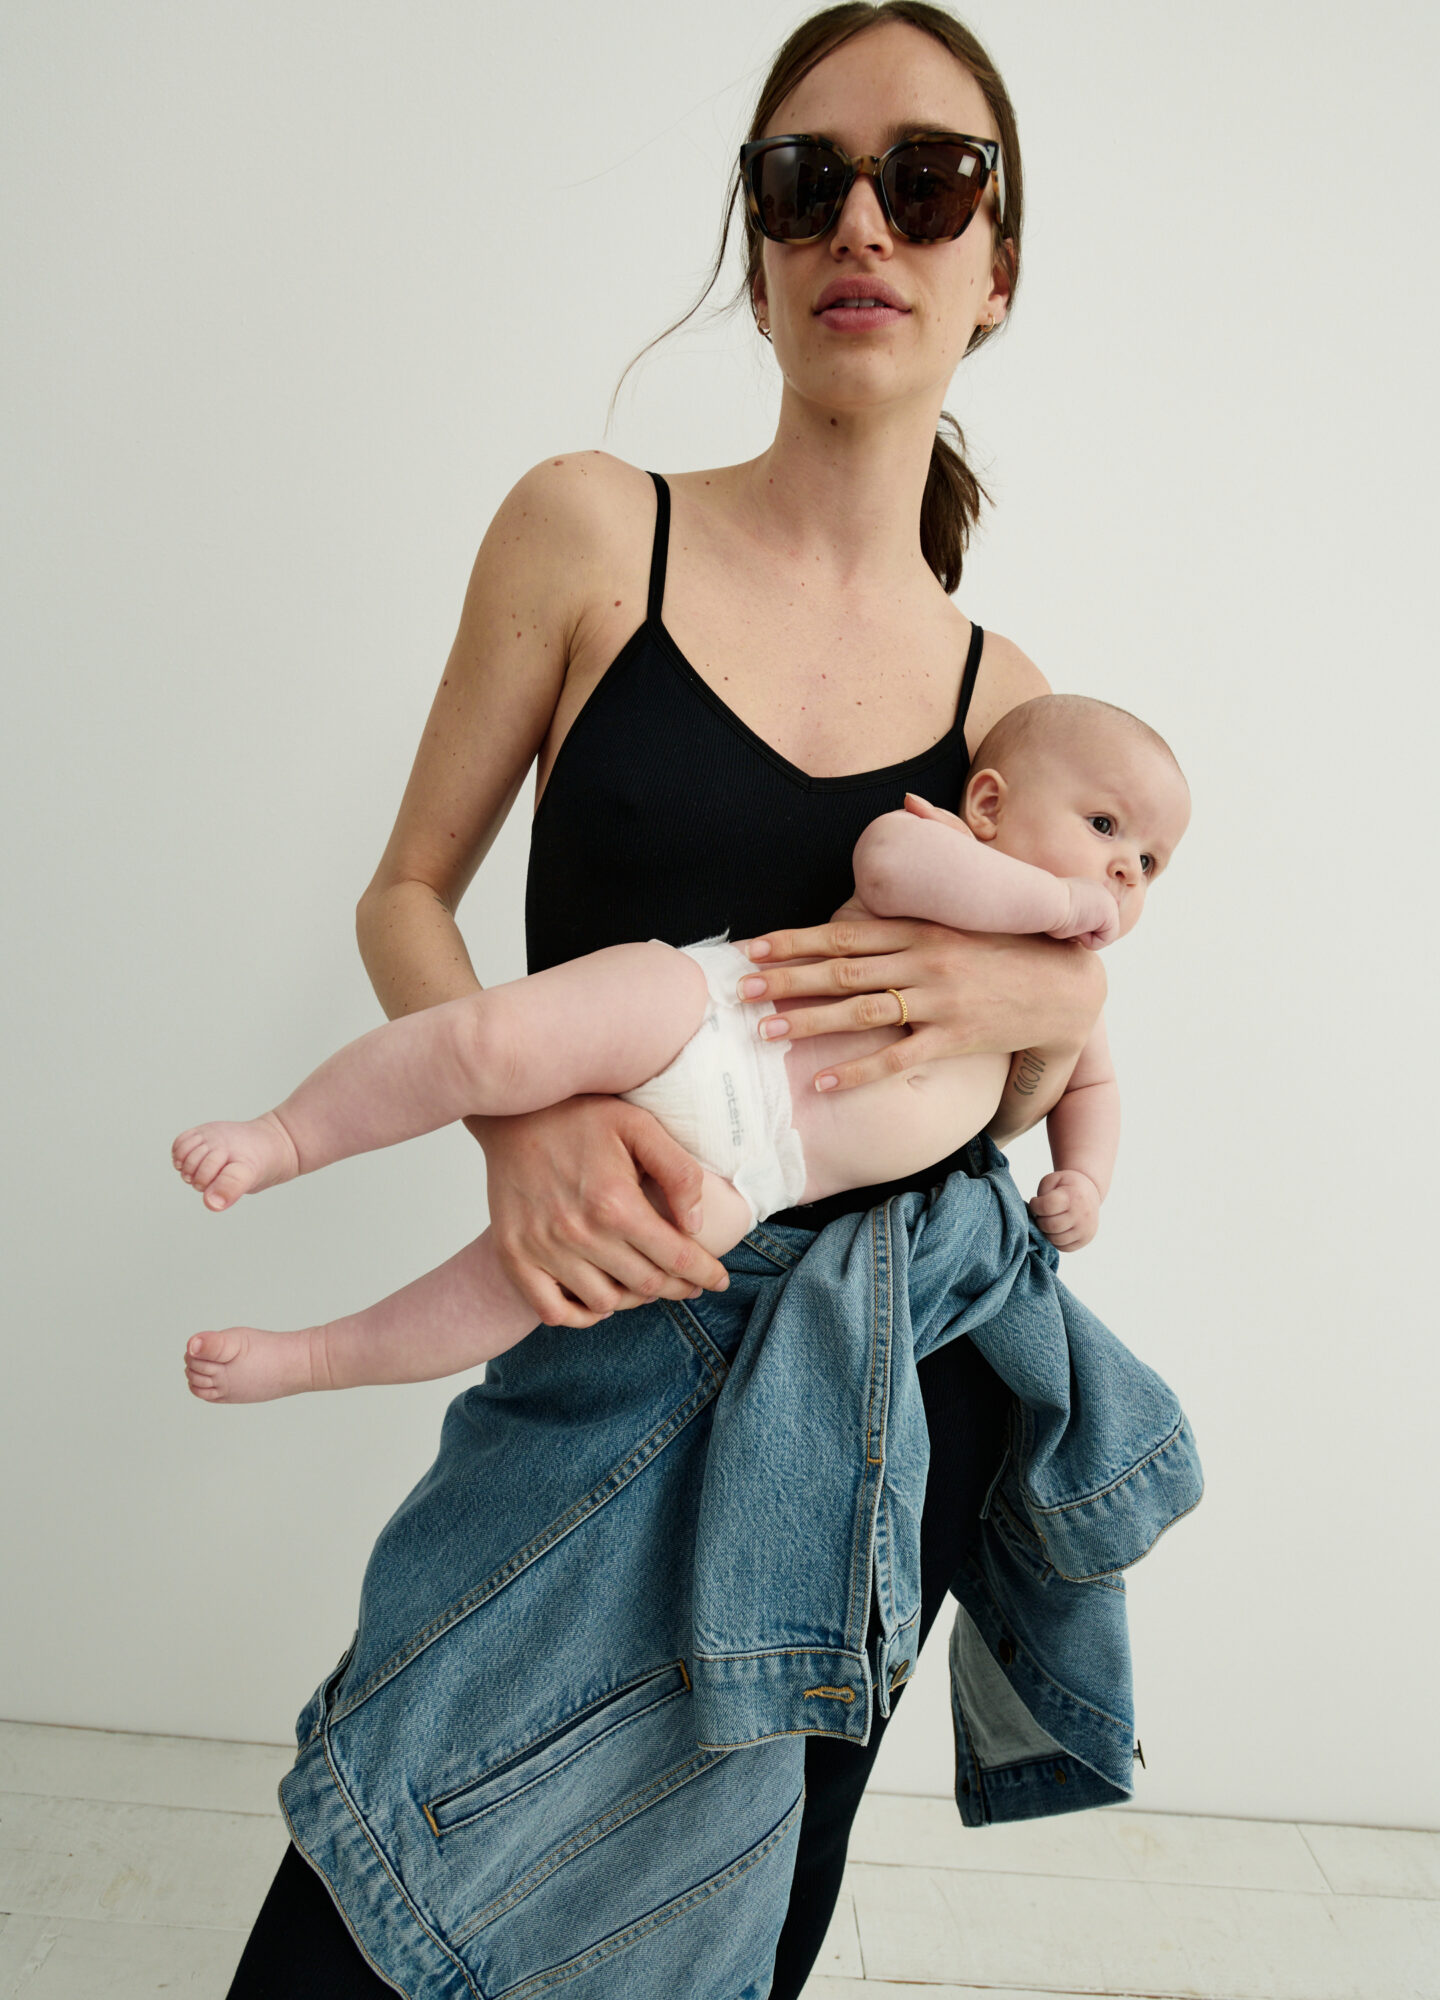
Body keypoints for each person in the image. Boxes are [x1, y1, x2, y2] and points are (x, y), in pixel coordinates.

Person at [224, 7, 1123, 1994]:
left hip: (879, 1405)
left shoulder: (1013, 700)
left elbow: (1041, 1059)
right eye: (806, 183)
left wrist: (1028, 1005)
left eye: (930, 178)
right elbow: (407, 893)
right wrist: (517, 1120)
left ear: (999, 269)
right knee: (364, 1891)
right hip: (597, 1330)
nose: (862, 223)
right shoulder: (586, 527)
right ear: (760, 240)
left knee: (721, 1946)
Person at [176, 697, 1189, 1406]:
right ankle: (285, 1135)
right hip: (713, 1015)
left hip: (755, 1174)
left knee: (533, 1282)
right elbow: (887, 864)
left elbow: (1085, 1080)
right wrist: (1058, 904)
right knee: (488, 1037)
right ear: (992, 805)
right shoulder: (943, 847)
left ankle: (310, 1358)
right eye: (1103, 825)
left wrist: (1085, 1178)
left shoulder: (1067, 989)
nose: (1121, 870)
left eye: (1146, 861)